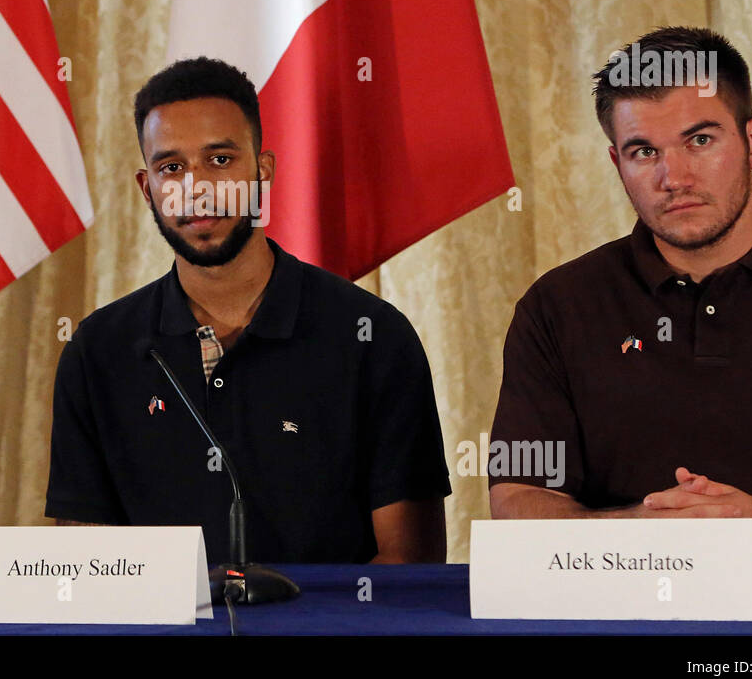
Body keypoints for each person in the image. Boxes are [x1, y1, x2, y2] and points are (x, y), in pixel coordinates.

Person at [44, 57, 450, 563]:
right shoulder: (96, 352)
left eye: (219, 161)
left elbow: (408, 570)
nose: (197, 188)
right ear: (148, 189)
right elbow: (88, 574)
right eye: (172, 167)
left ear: (263, 170)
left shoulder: (374, 336)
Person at [489, 26, 752, 566]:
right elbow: (518, 501)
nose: (675, 177)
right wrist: (639, 534)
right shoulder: (557, 306)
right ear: (618, 164)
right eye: (645, 151)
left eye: (700, 140)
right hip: (624, 618)